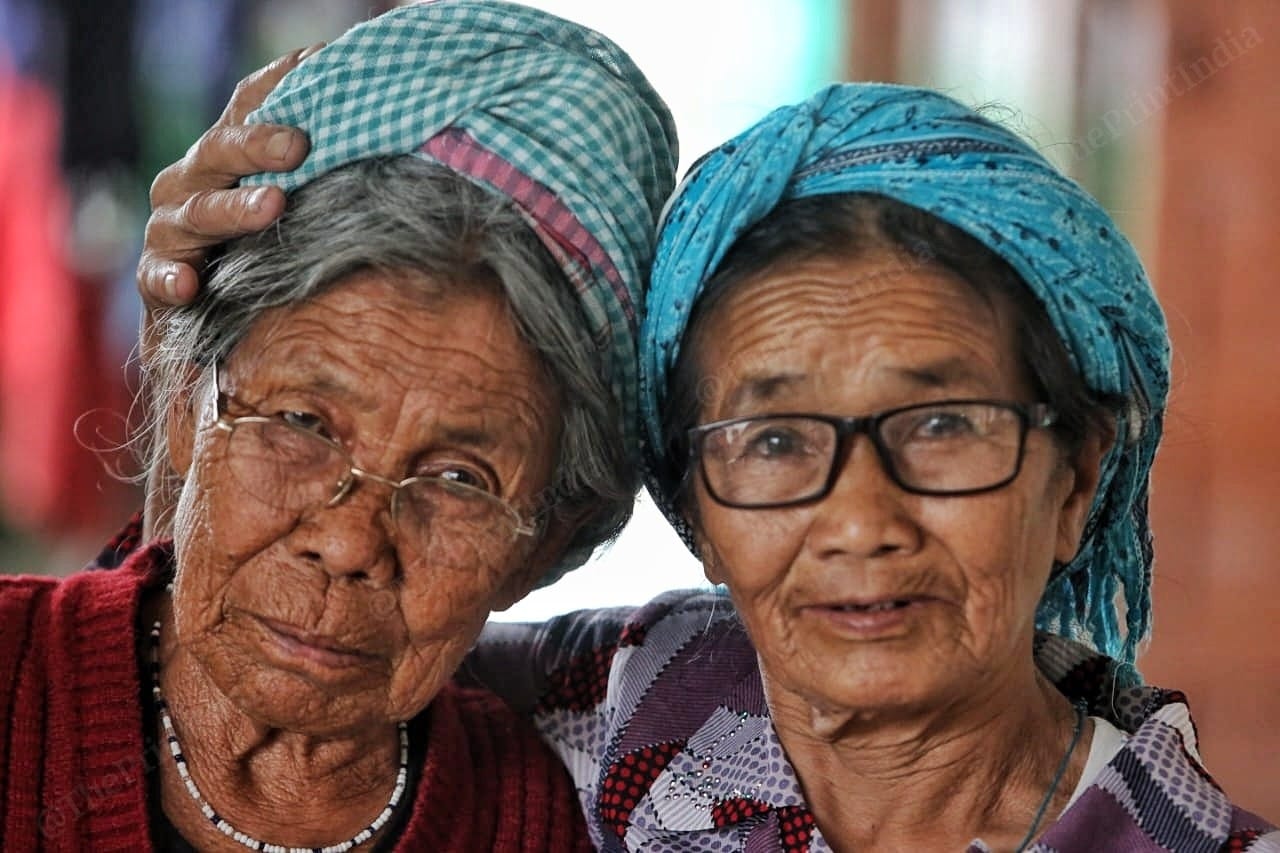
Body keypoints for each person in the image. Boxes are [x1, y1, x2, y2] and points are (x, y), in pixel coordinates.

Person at [140, 71, 1279, 853]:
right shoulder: (604, 706)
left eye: (941, 426)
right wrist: (200, 328)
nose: (858, 520)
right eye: (775, 440)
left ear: (1075, 480)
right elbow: (251, 654)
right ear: (694, 508)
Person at [0, 2, 676, 850]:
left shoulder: (561, 821)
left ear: (546, 543)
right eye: (302, 422)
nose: (354, 539)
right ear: (183, 401)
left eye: (460, 479)